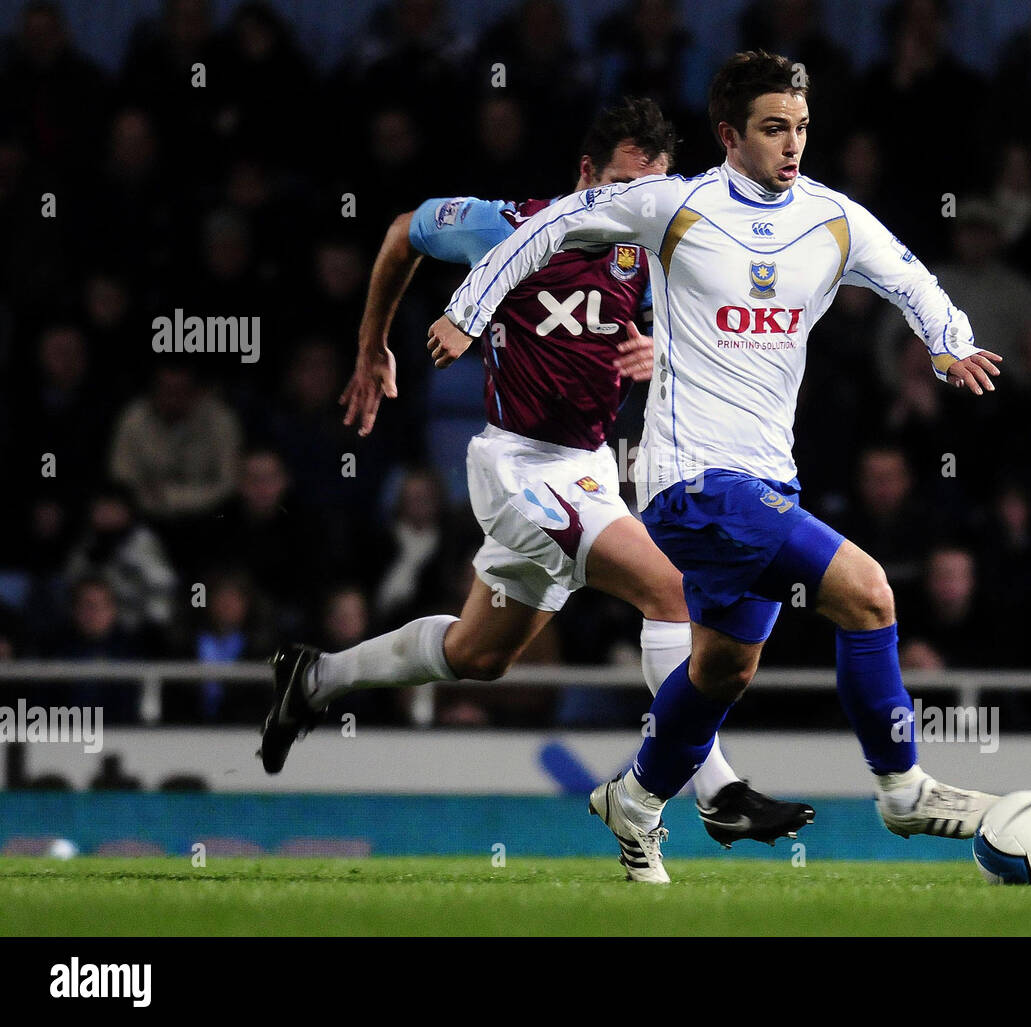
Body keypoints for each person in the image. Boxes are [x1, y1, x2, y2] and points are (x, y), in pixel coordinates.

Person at [428, 51, 1004, 882]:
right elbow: (552, 225)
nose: (793, 143)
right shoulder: (675, 205)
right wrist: (469, 311)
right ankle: (903, 786)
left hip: (769, 480)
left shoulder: (834, 219)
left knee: (723, 667)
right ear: (730, 134)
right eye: (774, 128)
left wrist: (949, 344)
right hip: (691, 484)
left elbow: (912, 280)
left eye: (802, 127)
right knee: (869, 591)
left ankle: (634, 797)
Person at [260, 97, 815, 851]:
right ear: (584, 174)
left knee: (478, 654)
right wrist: (370, 347)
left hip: (587, 466)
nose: (630, 207)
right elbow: (402, 232)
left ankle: (315, 677)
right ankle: (715, 789)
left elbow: (706, 324)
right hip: (517, 463)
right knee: (670, 590)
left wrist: (662, 351)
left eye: (645, 190)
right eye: (616, 187)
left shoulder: (656, 242)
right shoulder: (508, 225)